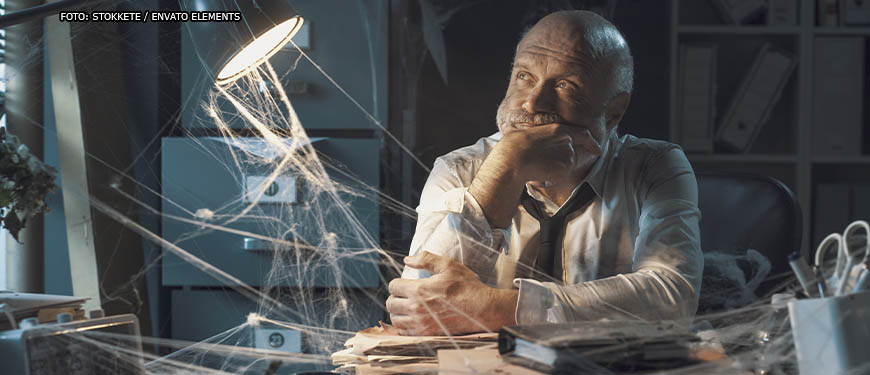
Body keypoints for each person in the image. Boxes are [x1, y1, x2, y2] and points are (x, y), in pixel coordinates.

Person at [386, 10, 703, 336]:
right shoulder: (459, 169)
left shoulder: (655, 167)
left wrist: (495, 308)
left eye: (566, 85)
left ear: (612, 111)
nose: (533, 104)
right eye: (524, 77)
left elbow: (673, 298)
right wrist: (506, 166)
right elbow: (420, 307)